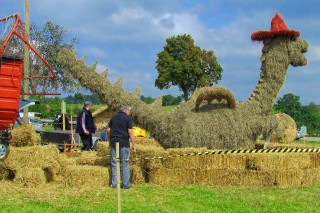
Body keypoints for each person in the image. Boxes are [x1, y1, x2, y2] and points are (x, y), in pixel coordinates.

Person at [107, 105, 136, 189]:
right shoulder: (127, 118)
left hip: (113, 142)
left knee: (114, 163)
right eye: (129, 112)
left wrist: (110, 141)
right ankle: (126, 185)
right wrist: (134, 144)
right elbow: (130, 132)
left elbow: (108, 130)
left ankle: (115, 184)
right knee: (125, 163)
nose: (129, 113)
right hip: (123, 143)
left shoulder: (113, 117)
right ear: (126, 111)